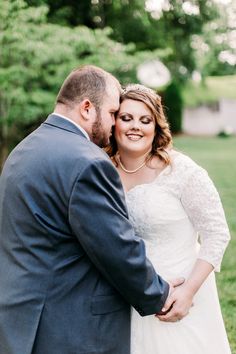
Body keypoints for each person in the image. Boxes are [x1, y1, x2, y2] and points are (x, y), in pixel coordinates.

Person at [0, 66, 184, 354]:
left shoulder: (22, 151)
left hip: (20, 319)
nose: (115, 124)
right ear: (87, 108)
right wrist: (159, 295)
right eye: (112, 113)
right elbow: (115, 246)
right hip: (69, 328)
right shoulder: (88, 162)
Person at [107, 83, 232, 354]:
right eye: (126, 118)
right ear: (114, 123)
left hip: (179, 290)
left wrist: (187, 292)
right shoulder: (102, 171)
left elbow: (217, 233)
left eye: (145, 120)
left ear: (156, 126)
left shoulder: (181, 171)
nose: (135, 126)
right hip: (125, 292)